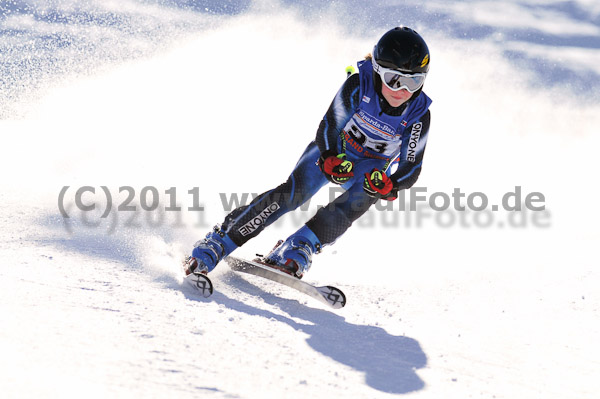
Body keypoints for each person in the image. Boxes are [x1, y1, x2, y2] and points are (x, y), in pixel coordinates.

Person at [184, 27, 432, 279]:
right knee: (294, 194)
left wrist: (391, 185)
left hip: (369, 168)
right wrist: (329, 157)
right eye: (394, 80)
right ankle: (221, 240)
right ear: (378, 71)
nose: (403, 91)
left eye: (414, 81)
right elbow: (329, 127)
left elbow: (412, 166)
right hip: (335, 152)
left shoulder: (419, 113)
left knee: (364, 196)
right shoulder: (358, 85)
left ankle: (299, 244)